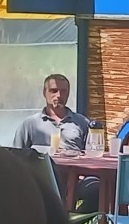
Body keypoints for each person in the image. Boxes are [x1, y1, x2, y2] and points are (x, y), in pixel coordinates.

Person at [13, 73, 99, 213]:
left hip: (76, 182)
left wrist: (85, 173)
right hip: (42, 184)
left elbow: (92, 155)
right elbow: (16, 157)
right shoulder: (30, 124)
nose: (58, 95)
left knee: (100, 189)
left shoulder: (82, 123)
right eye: (53, 91)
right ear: (44, 92)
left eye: (63, 91)